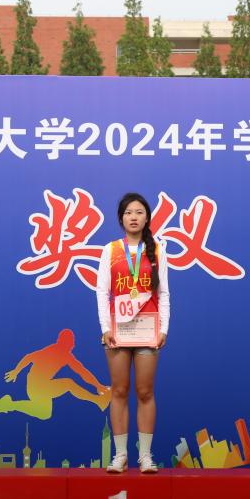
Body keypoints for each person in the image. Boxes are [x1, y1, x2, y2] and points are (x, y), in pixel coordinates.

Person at [96, 193, 170, 474]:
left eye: (139, 212)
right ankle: (121, 455)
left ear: (147, 218)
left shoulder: (157, 251)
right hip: (118, 331)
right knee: (119, 390)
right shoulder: (111, 250)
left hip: (147, 330)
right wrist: (105, 328)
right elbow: (102, 292)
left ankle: (146, 456)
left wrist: (164, 328)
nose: (134, 217)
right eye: (128, 213)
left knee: (145, 391)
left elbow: (164, 293)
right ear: (121, 219)